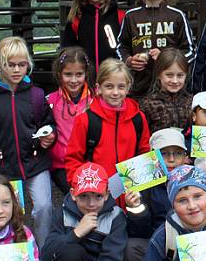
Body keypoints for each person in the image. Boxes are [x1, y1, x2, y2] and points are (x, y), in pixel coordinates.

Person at [0, 37, 57, 248]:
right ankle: (17, 259)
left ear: (28, 64)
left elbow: (48, 123)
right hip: (3, 166)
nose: (16, 69)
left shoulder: (37, 94)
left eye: (21, 64)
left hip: (35, 161)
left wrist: (48, 137)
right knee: (13, 212)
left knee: (43, 206)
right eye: (10, 64)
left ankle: (43, 255)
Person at [123, 127, 189, 261]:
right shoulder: (144, 185)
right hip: (156, 245)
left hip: (185, 245)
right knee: (131, 246)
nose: (170, 159)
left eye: (177, 153)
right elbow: (138, 231)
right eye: (164, 153)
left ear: (185, 156)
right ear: (153, 156)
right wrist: (135, 208)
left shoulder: (193, 180)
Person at [64, 58, 150, 193]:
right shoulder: (86, 120)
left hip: (131, 193)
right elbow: (73, 159)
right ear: (98, 88)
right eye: (109, 86)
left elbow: (144, 153)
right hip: (96, 195)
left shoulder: (138, 118)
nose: (115, 92)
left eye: (121, 87)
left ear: (128, 88)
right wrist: (81, 188)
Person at [117, 0, 195, 99]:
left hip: (171, 90)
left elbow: (190, 51)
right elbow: (121, 46)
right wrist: (129, 60)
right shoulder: (131, 16)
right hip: (138, 89)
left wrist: (167, 60)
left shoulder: (177, 16)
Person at [47, 46, 95, 196]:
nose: (74, 80)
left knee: (91, 201)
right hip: (61, 165)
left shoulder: (96, 99)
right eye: (68, 74)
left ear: (86, 74)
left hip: (91, 163)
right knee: (76, 198)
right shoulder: (50, 101)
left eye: (79, 74)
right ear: (59, 74)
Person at [61, 0, 123, 72]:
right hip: (85, 84)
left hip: (113, 83)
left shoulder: (121, 17)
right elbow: (67, 56)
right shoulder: (75, 20)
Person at [140, 48, 193, 132]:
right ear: (158, 74)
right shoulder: (148, 104)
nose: (175, 81)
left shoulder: (191, 102)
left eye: (180, 75)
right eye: (169, 75)